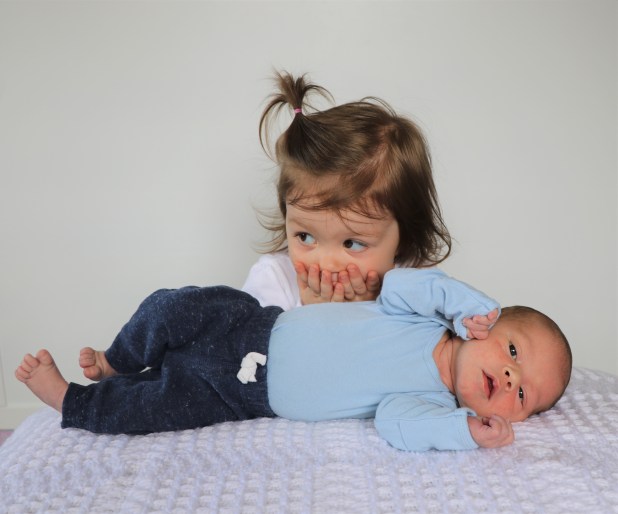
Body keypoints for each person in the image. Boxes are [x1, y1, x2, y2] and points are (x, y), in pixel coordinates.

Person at [15, 268, 571, 452]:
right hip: (250, 323)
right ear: (485, 322)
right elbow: (403, 281)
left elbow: (396, 425)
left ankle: (72, 399)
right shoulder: (422, 315)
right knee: (171, 306)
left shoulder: (430, 403)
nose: (510, 377)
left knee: (157, 407)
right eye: (513, 351)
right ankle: (118, 359)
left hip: (242, 395)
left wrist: (465, 432)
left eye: (524, 395)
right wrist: (464, 303)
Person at [242, 71, 451, 311]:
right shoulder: (274, 279)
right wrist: (310, 312)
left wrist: (367, 311)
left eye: (352, 243)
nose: (326, 264)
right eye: (305, 237)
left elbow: (444, 331)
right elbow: (248, 336)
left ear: (404, 237)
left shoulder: (419, 280)